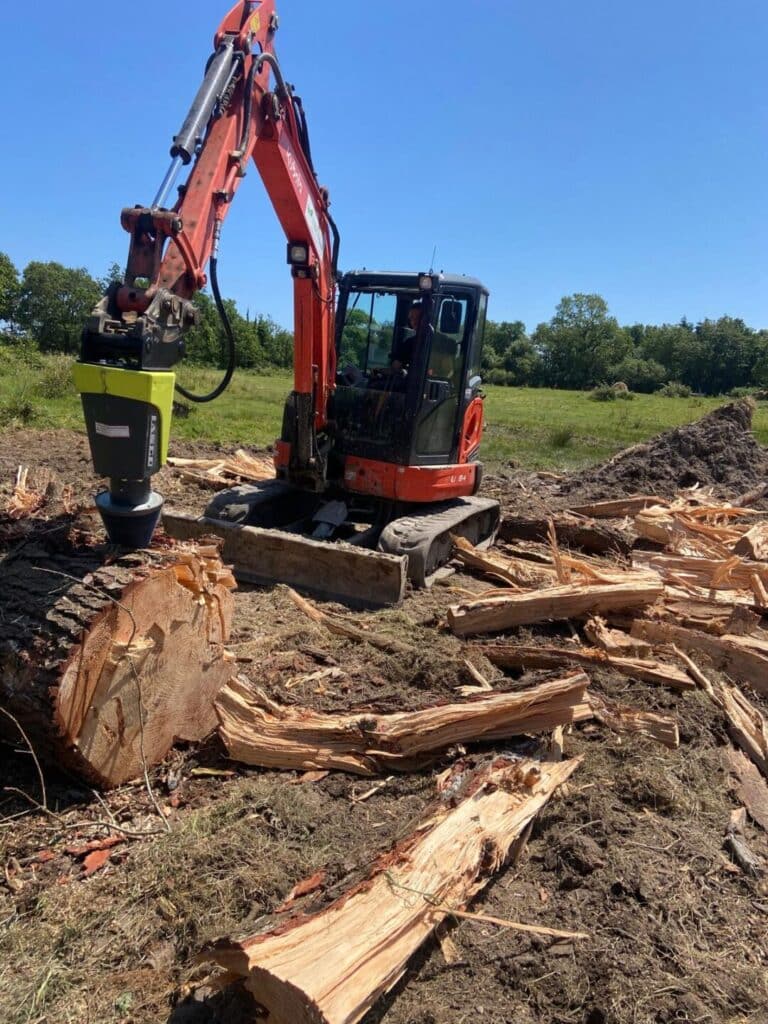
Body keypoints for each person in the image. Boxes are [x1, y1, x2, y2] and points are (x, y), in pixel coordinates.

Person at [389, 301, 422, 371]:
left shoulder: (411, 343)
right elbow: (396, 366)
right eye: (412, 318)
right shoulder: (409, 343)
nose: (414, 321)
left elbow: (395, 367)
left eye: (418, 317)